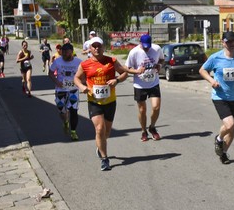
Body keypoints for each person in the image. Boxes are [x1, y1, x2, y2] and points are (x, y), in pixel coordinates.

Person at [74, 36, 129, 171]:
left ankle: (100, 146)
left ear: (103, 47)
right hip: (94, 101)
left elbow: (124, 73)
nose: (97, 48)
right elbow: (76, 78)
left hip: (110, 101)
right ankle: (105, 159)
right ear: (90, 48)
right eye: (94, 46)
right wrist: (82, 87)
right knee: (99, 129)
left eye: (99, 46)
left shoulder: (111, 61)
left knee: (107, 132)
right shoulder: (85, 64)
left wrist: (117, 80)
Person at [199, 31, 234, 164]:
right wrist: (212, 81)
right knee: (229, 124)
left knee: (232, 129)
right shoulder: (216, 57)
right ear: (223, 42)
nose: (231, 44)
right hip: (220, 96)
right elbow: (202, 70)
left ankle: (223, 152)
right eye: (228, 42)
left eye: (233, 41)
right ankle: (219, 138)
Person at [126, 34, 164, 141]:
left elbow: (162, 60)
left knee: (156, 107)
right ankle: (143, 131)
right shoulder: (134, 52)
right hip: (140, 85)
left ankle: (152, 127)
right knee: (142, 110)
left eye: (148, 46)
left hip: (153, 83)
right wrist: (137, 71)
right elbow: (127, 68)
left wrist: (159, 66)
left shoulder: (156, 49)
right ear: (140, 43)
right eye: (144, 46)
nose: (147, 48)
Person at [49, 43, 83, 141]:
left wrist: (81, 83)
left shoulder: (78, 62)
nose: (64, 55)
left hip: (73, 89)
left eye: (66, 53)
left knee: (73, 110)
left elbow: (84, 75)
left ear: (72, 52)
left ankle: (73, 132)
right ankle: (65, 122)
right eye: (63, 53)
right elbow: (50, 73)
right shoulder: (57, 61)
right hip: (61, 89)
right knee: (61, 110)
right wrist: (56, 81)